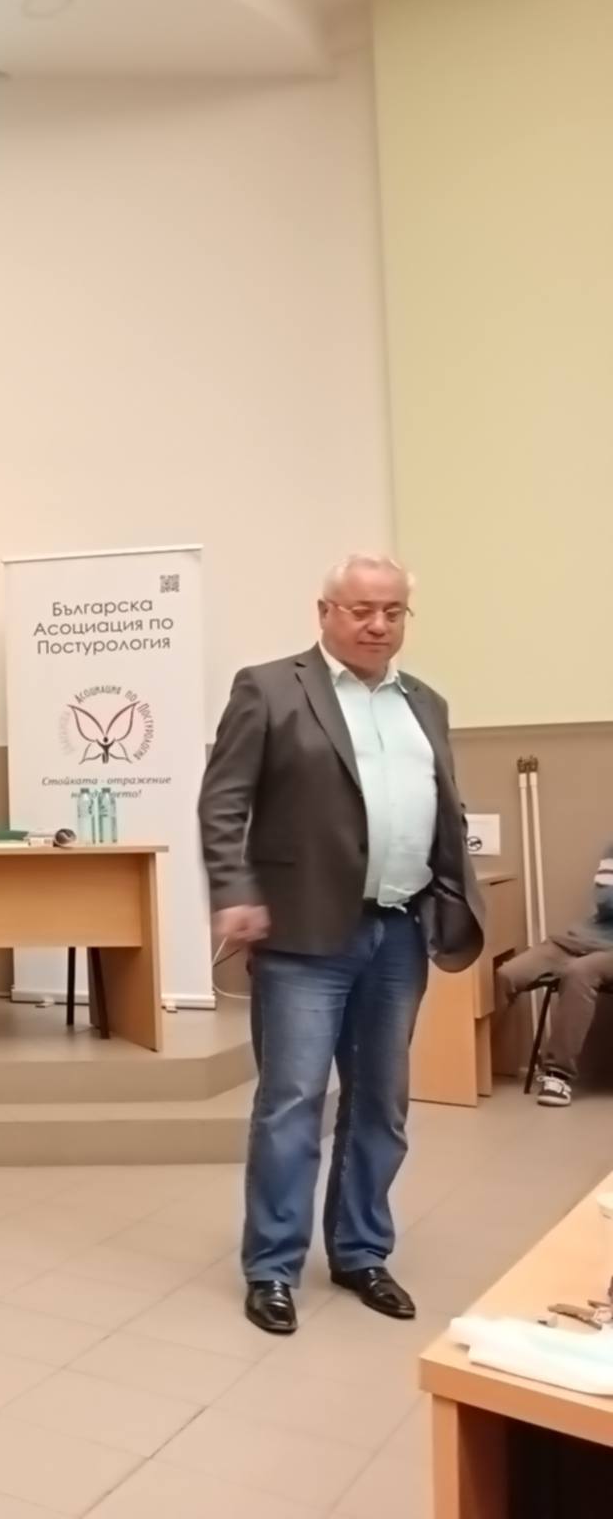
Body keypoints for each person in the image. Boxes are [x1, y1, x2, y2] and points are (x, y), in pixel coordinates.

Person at [199, 554, 483, 1336]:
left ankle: (360, 1252)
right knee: (292, 1102)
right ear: (325, 611)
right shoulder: (269, 688)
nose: (377, 624)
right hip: (302, 935)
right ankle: (272, 1267)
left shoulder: (425, 702)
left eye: (393, 611)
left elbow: (441, 807)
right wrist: (235, 891)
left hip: (398, 932)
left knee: (382, 1105)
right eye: (361, 609)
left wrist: (453, 891)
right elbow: (223, 801)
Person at [497, 841, 613, 1107]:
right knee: (508, 974)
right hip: (581, 938)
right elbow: (605, 899)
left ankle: (557, 1075)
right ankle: (466, 1064)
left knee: (579, 972)